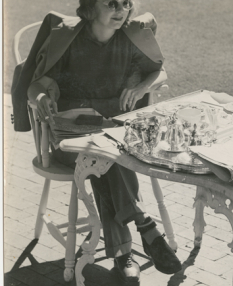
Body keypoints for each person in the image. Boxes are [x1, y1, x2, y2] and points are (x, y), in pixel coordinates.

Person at [13, 0, 182, 282]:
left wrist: (141, 85)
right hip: (70, 137)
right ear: (91, 8)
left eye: (126, 3)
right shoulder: (69, 40)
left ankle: (125, 249)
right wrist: (41, 97)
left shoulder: (129, 38)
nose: (121, 10)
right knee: (111, 157)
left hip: (111, 133)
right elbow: (35, 83)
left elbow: (158, 70)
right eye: (111, 3)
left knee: (109, 158)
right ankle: (140, 226)